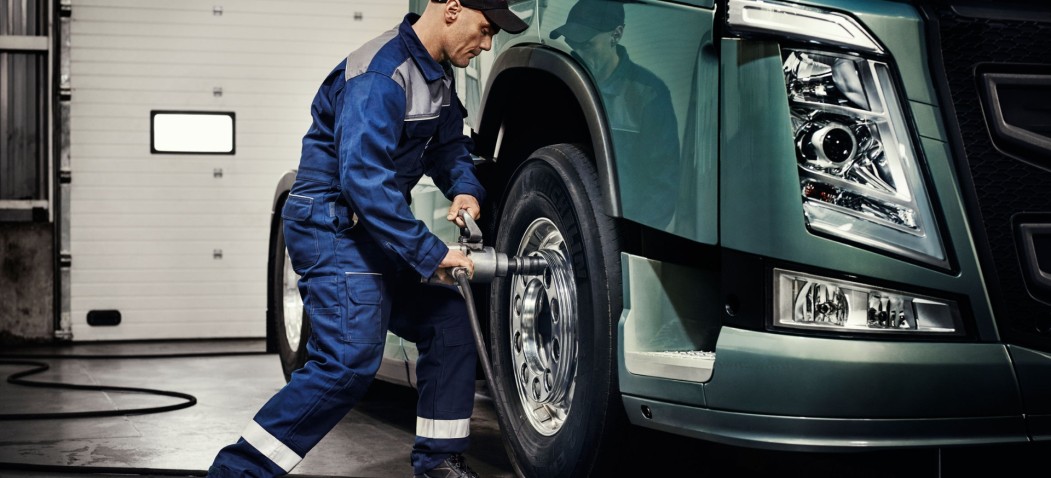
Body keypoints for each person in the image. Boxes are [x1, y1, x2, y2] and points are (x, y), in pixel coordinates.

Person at [206, 2, 527, 477]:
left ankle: (439, 463)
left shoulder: (435, 75)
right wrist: (429, 252)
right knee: (347, 363)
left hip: (370, 228)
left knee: (449, 322)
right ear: (453, 8)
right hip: (332, 226)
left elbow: (447, 145)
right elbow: (363, 179)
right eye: (485, 30)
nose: (486, 44)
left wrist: (464, 188)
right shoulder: (381, 74)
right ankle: (237, 472)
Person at [551, 0, 680, 229]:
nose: (578, 53)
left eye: (588, 45)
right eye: (573, 43)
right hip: (569, 223)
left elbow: (663, 187)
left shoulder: (649, 95)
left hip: (620, 235)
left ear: (616, 35)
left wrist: (628, 240)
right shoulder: (563, 83)